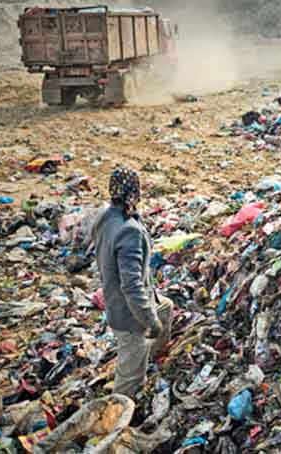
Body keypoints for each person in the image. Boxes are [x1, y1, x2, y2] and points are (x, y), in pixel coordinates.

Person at [94, 167, 173, 399]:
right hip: (129, 315)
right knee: (129, 380)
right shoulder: (129, 231)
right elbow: (131, 286)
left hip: (115, 300)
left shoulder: (106, 217)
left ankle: (153, 356)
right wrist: (150, 321)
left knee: (166, 307)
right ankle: (118, 417)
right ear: (134, 192)